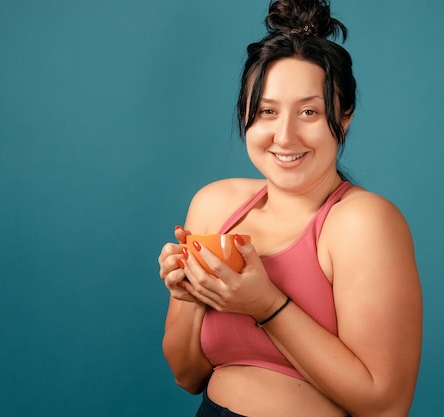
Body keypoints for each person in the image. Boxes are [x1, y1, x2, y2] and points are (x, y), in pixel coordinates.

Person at [157, 1, 422, 416]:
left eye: (309, 112)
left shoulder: (363, 222)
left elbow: (386, 405)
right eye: (266, 111)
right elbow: (187, 376)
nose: (285, 135)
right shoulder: (215, 205)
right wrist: (191, 296)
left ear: (345, 116)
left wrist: (266, 305)